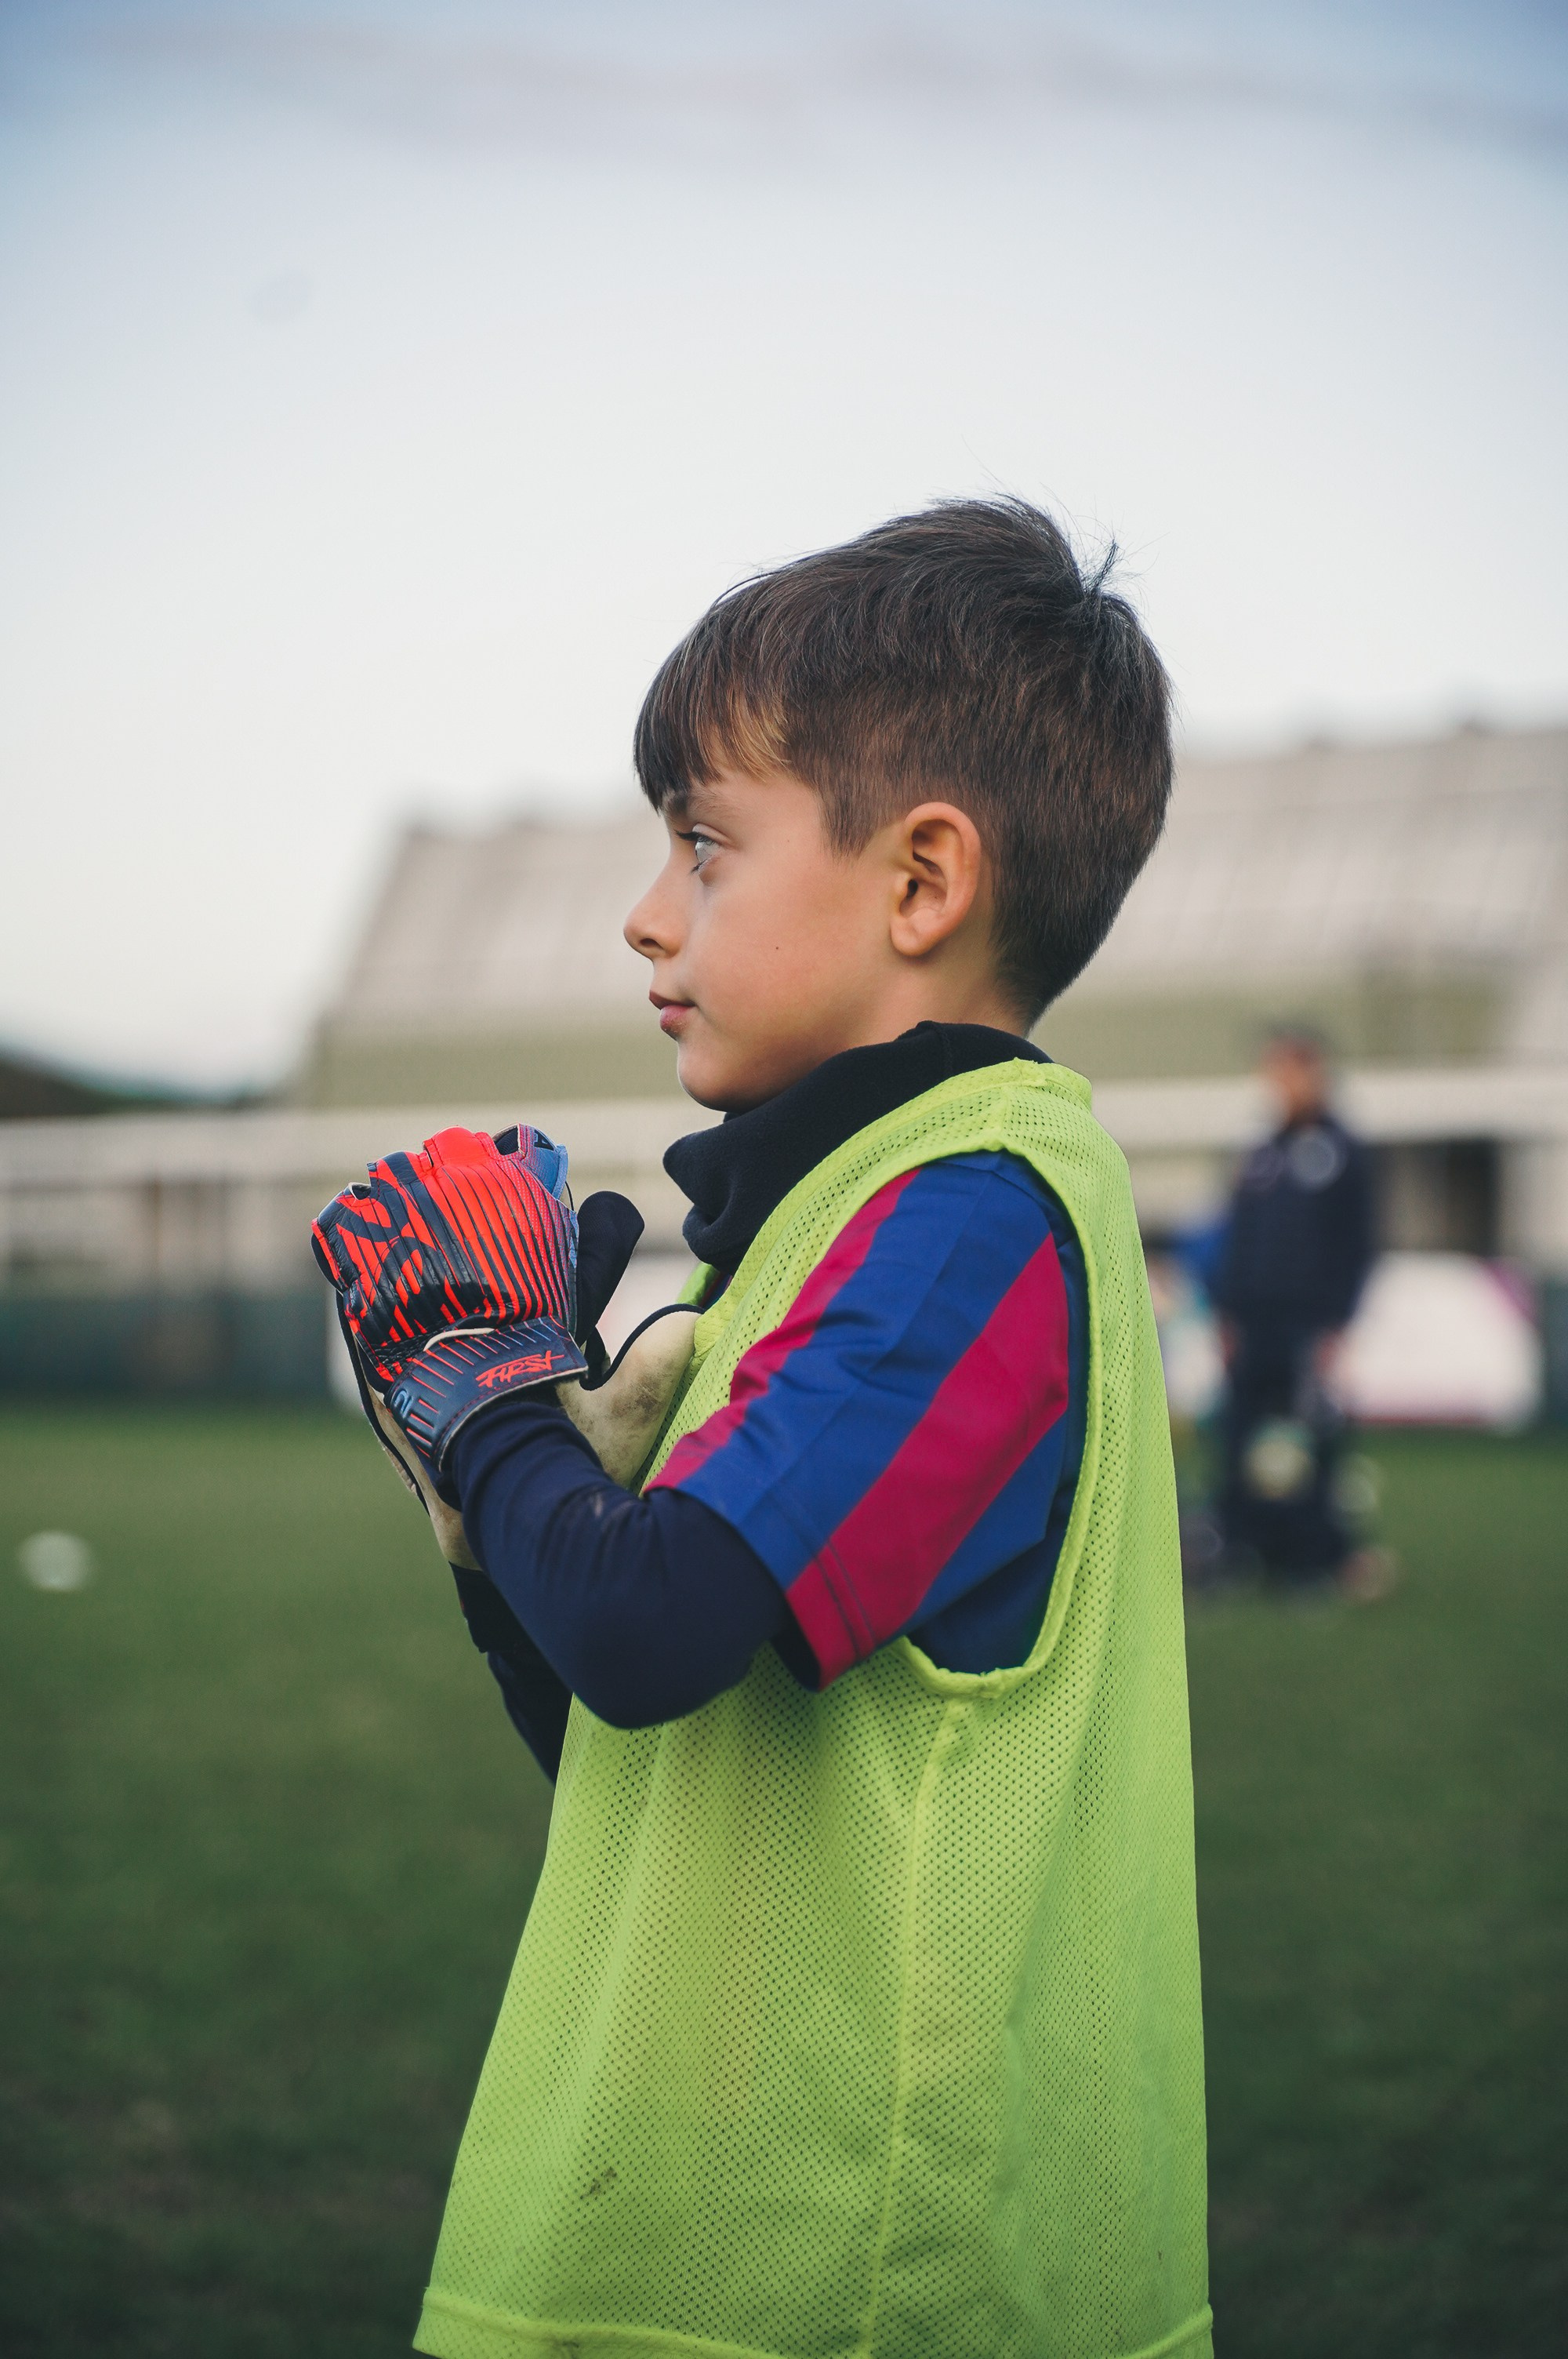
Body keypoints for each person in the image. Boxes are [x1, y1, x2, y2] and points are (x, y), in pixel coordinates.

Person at [312, 501, 1212, 2359]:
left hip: (856, 2266)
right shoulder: (824, 1219)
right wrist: (508, 1490)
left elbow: (650, 1630)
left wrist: (484, 1401)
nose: (647, 912)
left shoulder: (970, 1207)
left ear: (917, 881)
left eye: (703, 848)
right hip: (701, 2235)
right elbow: (617, 1734)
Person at [1210, 1027, 1382, 1590]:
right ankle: (1241, 1548)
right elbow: (1239, 1238)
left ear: (1314, 1074)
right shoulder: (1262, 1154)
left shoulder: (1344, 1154)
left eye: (1285, 1073)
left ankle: (1310, 1560)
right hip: (1253, 1324)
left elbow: (1357, 1246)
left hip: (1308, 1323)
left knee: (1309, 1439)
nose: (1275, 1086)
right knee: (1241, 1434)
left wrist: (1339, 1321)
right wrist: (1227, 1314)